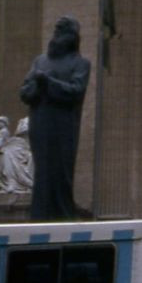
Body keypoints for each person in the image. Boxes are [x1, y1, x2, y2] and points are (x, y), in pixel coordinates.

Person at [20, 16, 91, 221]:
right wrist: (39, 85)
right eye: (56, 31)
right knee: (42, 172)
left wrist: (48, 82)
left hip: (64, 126)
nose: (57, 36)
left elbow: (76, 91)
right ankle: (39, 216)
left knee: (61, 172)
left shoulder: (81, 63)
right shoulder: (40, 61)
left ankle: (62, 216)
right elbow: (24, 92)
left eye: (62, 32)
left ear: (72, 37)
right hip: (40, 123)